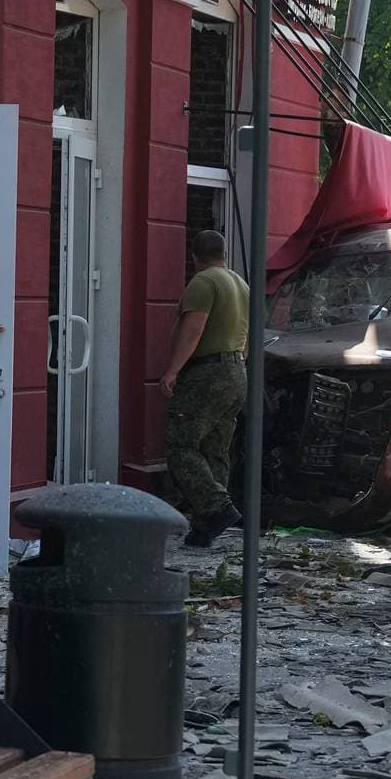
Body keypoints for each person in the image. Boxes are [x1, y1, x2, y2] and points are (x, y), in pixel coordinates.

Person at [162, 230, 250, 547]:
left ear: (194, 257)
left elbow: (194, 328)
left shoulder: (203, 282)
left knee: (181, 444)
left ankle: (217, 508)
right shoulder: (240, 284)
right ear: (223, 253)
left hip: (207, 373)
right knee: (215, 447)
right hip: (236, 371)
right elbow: (248, 336)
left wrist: (172, 370)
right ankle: (204, 527)